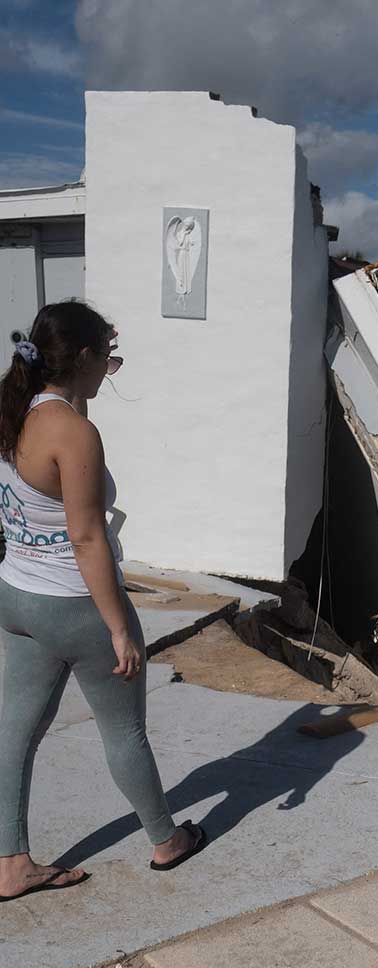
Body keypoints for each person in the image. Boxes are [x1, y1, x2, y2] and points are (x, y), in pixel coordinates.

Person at [0, 301, 206, 902]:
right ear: (84, 358)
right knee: (123, 731)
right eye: (108, 361)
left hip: (17, 594)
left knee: (15, 731)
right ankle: (167, 841)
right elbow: (87, 536)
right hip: (76, 604)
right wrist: (119, 627)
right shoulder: (74, 433)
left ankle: (11, 863)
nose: (110, 373)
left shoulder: (15, 408)